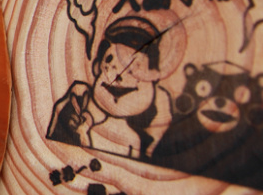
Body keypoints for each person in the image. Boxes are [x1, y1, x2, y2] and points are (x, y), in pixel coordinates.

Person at [47, 15, 171, 159]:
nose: (118, 78)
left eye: (133, 72)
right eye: (111, 65)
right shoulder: (78, 103)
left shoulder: (133, 140)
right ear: (97, 66)